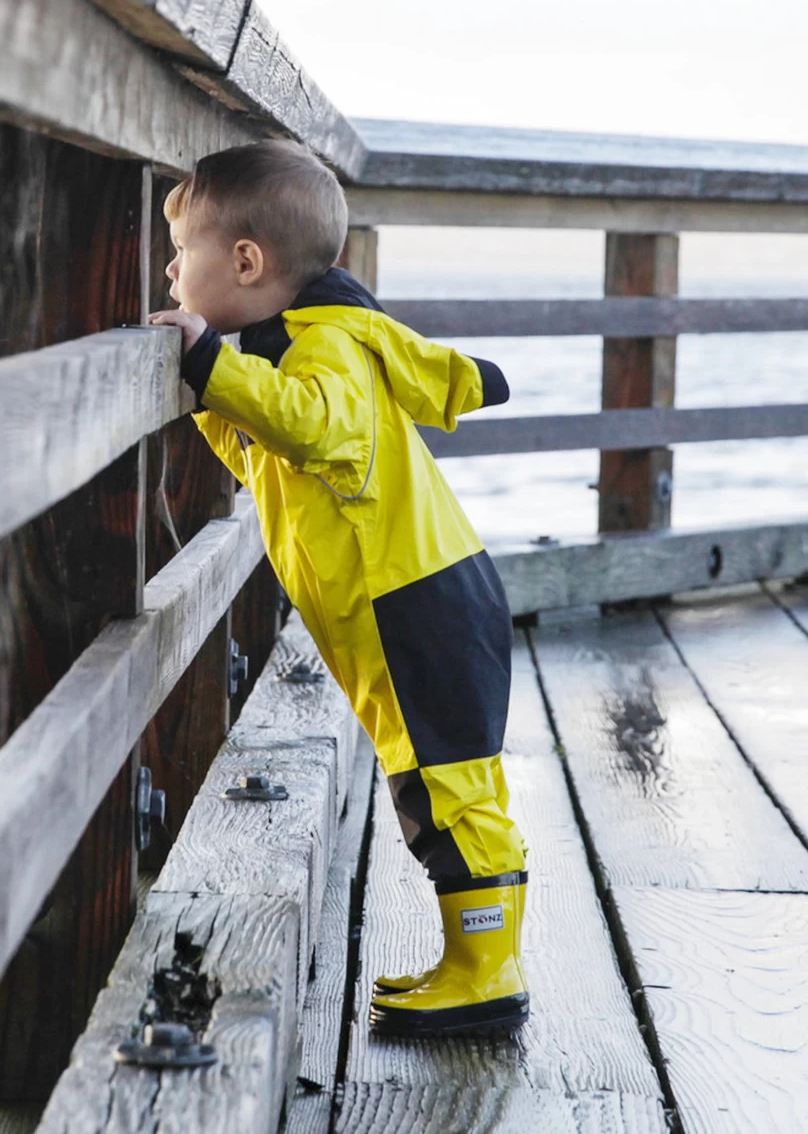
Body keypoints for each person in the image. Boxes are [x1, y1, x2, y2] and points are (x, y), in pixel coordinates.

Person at [149, 140, 527, 1037]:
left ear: (246, 262)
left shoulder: (326, 349)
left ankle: (487, 975)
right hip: (408, 600)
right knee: (435, 781)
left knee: (444, 790)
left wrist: (208, 364)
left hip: (416, 605)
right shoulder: (299, 345)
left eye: (183, 251)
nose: (169, 270)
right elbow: (270, 449)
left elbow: (313, 426)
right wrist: (213, 396)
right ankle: (476, 963)